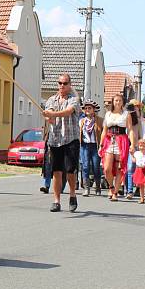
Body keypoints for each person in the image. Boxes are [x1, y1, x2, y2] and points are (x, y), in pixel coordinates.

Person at [40, 73, 81, 212]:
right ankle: (56, 201)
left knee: (70, 171)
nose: (62, 86)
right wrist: (48, 117)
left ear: (70, 85)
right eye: (60, 83)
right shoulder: (51, 99)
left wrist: (53, 115)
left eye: (65, 83)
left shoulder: (74, 99)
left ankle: (72, 194)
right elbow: (50, 112)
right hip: (55, 140)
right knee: (56, 171)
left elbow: (68, 111)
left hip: (70, 139)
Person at [99, 94, 133, 202]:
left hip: (121, 140)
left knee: (119, 168)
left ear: (122, 102)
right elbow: (104, 130)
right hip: (109, 141)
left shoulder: (126, 114)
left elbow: (130, 130)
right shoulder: (108, 114)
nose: (117, 102)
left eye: (119, 100)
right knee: (107, 168)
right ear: (113, 102)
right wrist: (101, 145)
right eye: (116, 100)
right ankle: (111, 187)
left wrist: (132, 144)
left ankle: (115, 193)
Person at [79, 99, 103, 197]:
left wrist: (102, 146)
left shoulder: (100, 120)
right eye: (86, 108)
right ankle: (86, 188)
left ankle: (97, 187)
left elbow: (103, 134)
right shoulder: (82, 121)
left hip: (95, 146)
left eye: (90, 108)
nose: (87, 110)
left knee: (96, 167)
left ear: (94, 109)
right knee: (85, 167)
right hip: (84, 145)